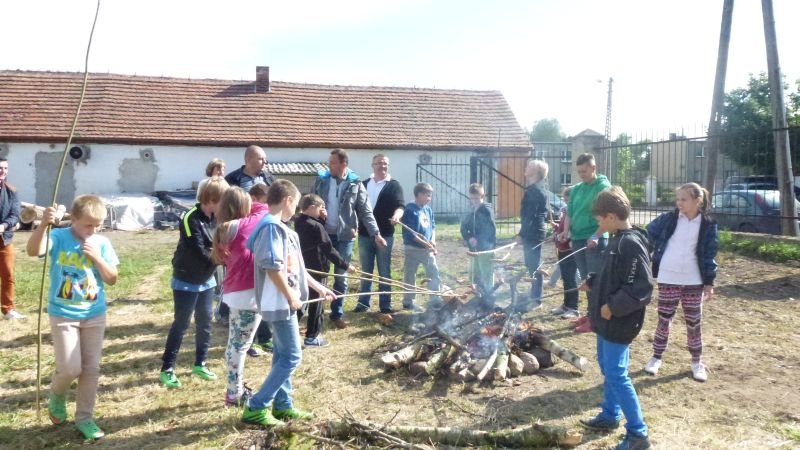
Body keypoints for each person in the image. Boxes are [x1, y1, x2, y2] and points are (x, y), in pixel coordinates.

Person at [242, 180, 335, 428]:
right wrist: (291, 297)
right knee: (292, 356)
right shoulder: (271, 228)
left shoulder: (282, 229)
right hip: (279, 302)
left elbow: (297, 269)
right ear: (288, 200)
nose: (295, 210)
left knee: (282, 354)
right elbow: (272, 267)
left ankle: (283, 405)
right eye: (295, 204)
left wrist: (319, 287)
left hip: (285, 302)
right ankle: (256, 406)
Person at [27, 195, 119, 440]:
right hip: (63, 314)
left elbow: (112, 278)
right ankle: (57, 394)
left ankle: (85, 418)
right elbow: (33, 250)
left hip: (94, 314)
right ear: (74, 219)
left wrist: (97, 258)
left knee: (91, 369)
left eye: (98, 225)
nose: (93, 230)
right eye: (88, 225)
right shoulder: (59, 237)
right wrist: (43, 225)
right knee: (70, 368)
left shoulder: (101, 243)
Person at [579, 186, 652, 450]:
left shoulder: (630, 243)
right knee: (607, 368)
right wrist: (593, 281)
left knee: (617, 374)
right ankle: (610, 415)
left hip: (620, 320)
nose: (598, 224)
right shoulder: (616, 239)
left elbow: (642, 287)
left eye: (600, 220)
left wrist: (612, 306)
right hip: (606, 321)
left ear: (611, 216)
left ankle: (638, 434)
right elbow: (614, 275)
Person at [644, 182, 718, 382]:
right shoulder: (668, 219)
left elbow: (710, 253)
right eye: (677, 199)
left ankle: (696, 362)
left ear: (698, 200)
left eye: (684, 199)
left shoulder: (708, 224)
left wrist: (709, 281)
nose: (679, 203)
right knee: (664, 319)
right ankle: (656, 357)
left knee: (694, 322)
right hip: (668, 276)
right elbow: (647, 235)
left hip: (694, 280)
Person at [159, 176, 228, 389]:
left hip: (206, 279)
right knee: (181, 323)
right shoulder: (190, 218)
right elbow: (199, 249)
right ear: (212, 199)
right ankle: (167, 368)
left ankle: (200, 363)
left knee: (205, 322)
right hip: (186, 278)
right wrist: (225, 259)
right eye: (223, 200)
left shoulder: (218, 219)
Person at [313, 149, 385, 329]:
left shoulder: (355, 184)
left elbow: (365, 211)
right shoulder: (321, 180)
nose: (329, 165)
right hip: (322, 235)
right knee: (319, 275)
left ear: (344, 163)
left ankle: (336, 314)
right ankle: (316, 315)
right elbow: (309, 202)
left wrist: (375, 233)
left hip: (344, 237)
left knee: (341, 277)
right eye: (329, 162)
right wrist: (317, 211)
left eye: (333, 162)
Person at [211, 186, 270, 407]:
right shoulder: (245, 225)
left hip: (236, 291)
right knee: (240, 346)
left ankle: (233, 389)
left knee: (235, 344)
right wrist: (251, 202)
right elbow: (264, 210)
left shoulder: (227, 227)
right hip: (248, 294)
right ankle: (234, 394)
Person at [225, 145, 276, 356]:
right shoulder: (233, 179)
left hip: (264, 237)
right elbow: (227, 207)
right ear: (248, 159)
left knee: (264, 290)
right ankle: (249, 341)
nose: (265, 162)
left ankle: (265, 337)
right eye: (261, 159)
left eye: (265, 159)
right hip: (242, 240)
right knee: (248, 293)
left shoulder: (268, 178)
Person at [295, 194, 355, 347]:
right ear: (312, 207)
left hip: (303, 269)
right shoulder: (316, 227)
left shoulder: (299, 221)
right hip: (318, 269)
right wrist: (346, 265)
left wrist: (321, 219)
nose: (323, 211)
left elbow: (314, 235)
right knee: (318, 303)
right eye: (321, 208)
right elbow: (328, 249)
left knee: (303, 301)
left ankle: (289, 331)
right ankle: (312, 337)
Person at [565, 153, 611, 332]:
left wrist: (596, 235)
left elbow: (607, 215)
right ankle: (590, 314)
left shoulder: (603, 187)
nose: (581, 175)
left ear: (593, 168)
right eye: (579, 172)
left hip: (594, 239)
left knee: (595, 280)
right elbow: (570, 212)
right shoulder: (577, 189)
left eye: (584, 171)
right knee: (586, 280)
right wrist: (566, 232)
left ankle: (596, 318)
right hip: (578, 239)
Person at [355, 154, 404, 314]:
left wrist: (397, 215)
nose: (382, 166)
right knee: (366, 270)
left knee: (384, 270)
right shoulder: (363, 184)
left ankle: (385, 305)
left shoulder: (394, 185)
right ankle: (363, 304)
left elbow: (400, 206)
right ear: (373, 165)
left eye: (385, 164)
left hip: (385, 234)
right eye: (378, 163)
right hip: (365, 234)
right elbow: (355, 207)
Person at [514, 159, 551, 311]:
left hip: (534, 233)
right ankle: (534, 295)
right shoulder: (533, 189)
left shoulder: (535, 191)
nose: (526, 166)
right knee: (531, 265)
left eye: (530, 166)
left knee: (534, 265)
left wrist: (521, 234)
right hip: (532, 232)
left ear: (536, 172)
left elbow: (531, 216)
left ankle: (537, 299)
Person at [401, 183, 441, 311]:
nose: (429, 198)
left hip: (427, 250)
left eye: (430, 196)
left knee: (433, 272)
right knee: (410, 274)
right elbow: (411, 234)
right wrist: (425, 244)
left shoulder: (428, 209)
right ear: (419, 194)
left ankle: (435, 299)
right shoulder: (410, 210)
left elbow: (433, 227)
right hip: (412, 248)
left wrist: (432, 241)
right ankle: (408, 301)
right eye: (427, 195)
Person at [460, 183, 496, 299]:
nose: (474, 201)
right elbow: (463, 227)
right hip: (473, 248)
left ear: (482, 196)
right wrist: (469, 237)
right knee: (475, 272)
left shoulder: (486, 210)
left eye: (476, 198)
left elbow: (490, 229)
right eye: (472, 198)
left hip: (486, 248)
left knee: (486, 272)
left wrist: (479, 240)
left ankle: (489, 295)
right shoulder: (471, 210)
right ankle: (479, 294)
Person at [550, 186, 581, 319]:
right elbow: (564, 226)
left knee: (570, 277)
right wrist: (557, 228)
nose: (567, 203)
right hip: (562, 248)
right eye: (565, 200)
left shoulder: (576, 212)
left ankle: (573, 308)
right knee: (565, 277)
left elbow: (573, 230)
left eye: (569, 201)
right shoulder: (565, 210)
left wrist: (562, 235)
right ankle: (566, 304)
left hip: (570, 248)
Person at [0, 157, 23, 320]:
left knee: (8, 274)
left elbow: (15, 215)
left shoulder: (11, 191)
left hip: (4, 239)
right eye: (0, 168)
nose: (3, 171)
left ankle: (8, 309)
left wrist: (4, 226)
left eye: (5, 168)